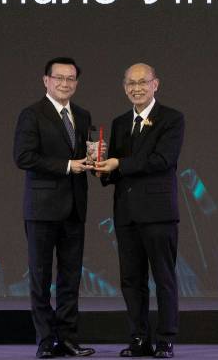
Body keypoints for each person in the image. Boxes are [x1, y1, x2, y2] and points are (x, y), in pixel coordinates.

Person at [93, 62, 183, 359]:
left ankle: (165, 340)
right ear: (124, 87)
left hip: (158, 213)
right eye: (131, 83)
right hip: (126, 214)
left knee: (163, 278)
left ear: (155, 84)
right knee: (131, 280)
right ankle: (139, 339)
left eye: (143, 82)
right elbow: (116, 168)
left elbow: (162, 160)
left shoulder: (171, 119)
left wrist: (119, 164)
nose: (137, 88)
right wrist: (101, 170)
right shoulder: (120, 122)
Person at [13, 56, 97, 358]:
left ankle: (68, 338)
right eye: (59, 77)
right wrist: (67, 166)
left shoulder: (83, 115)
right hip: (42, 209)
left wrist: (96, 163)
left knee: (71, 278)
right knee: (40, 277)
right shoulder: (32, 114)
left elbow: (87, 155)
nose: (65, 83)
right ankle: (46, 340)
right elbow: (23, 157)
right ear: (46, 80)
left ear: (77, 83)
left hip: (75, 208)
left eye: (70, 78)